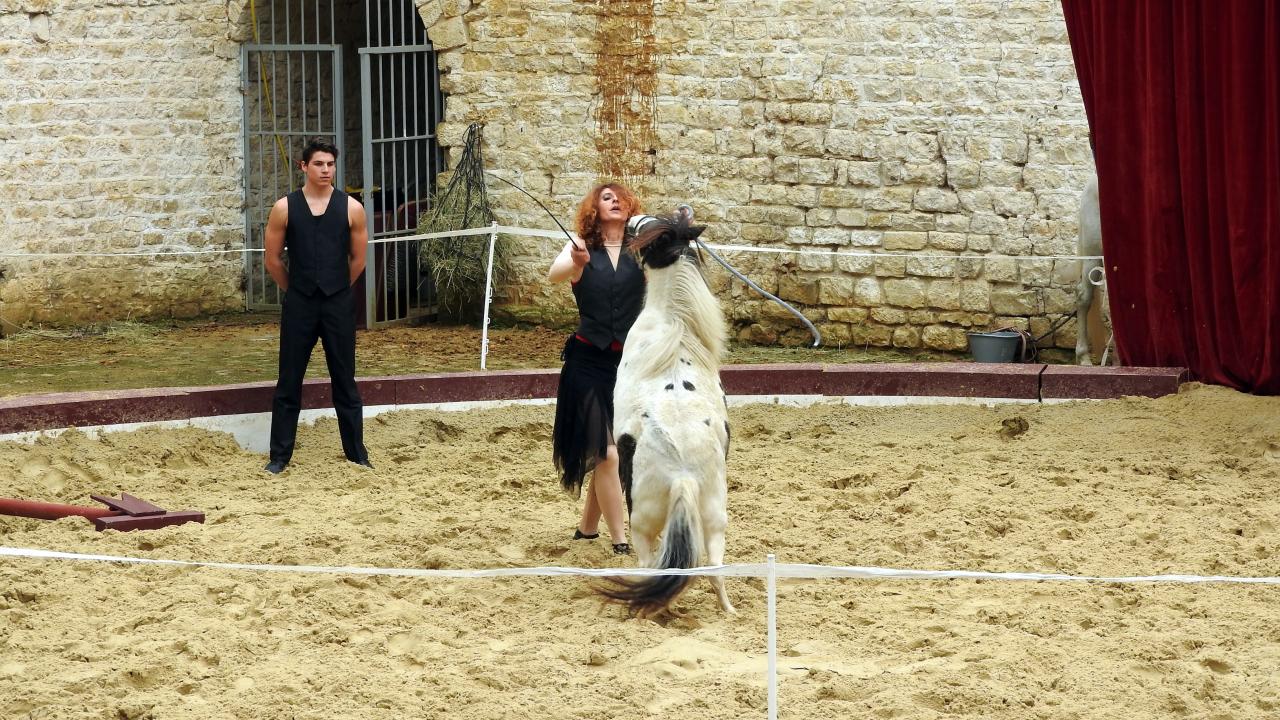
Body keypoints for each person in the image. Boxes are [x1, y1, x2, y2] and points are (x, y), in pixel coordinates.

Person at [262, 138, 372, 474]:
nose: (326, 170)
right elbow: (272, 259)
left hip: (338, 303)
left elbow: (358, 260)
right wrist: (296, 289)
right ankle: (279, 457)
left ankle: (356, 455)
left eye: (330, 164)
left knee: (345, 380)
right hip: (300, 304)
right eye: (319, 164)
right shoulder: (284, 207)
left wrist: (336, 288)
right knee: (289, 380)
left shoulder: (352, 208)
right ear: (304, 167)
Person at [548, 183, 647, 555]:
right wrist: (576, 263)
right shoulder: (580, 246)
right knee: (607, 454)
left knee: (612, 452)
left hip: (627, 369)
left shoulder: (642, 252)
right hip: (586, 365)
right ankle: (621, 542)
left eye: (620, 197)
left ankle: (588, 529)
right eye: (607, 197)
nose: (615, 201)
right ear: (594, 208)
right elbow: (553, 274)